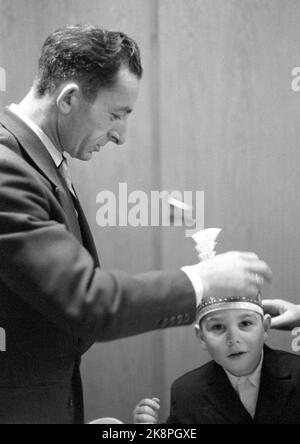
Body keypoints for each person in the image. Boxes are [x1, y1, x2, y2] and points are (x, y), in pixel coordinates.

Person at [0, 24, 271, 424]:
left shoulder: (43, 163)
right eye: (116, 114)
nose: (121, 136)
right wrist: (201, 280)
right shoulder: (8, 168)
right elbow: (88, 301)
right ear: (70, 98)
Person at [134, 293, 300, 424]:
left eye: (245, 323)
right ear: (201, 337)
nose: (233, 338)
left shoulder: (297, 373)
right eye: (218, 327)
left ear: (265, 327)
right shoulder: (187, 392)